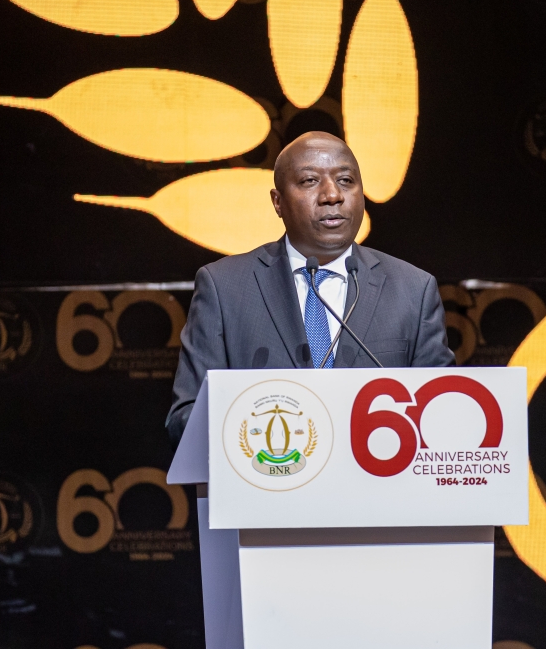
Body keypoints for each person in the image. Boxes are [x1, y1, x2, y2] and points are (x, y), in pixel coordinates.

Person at [165, 132, 455, 443]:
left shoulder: (413, 289)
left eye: (346, 180)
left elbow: (443, 414)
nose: (332, 195)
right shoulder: (225, 287)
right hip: (268, 475)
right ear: (278, 202)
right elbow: (185, 418)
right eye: (309, 181)